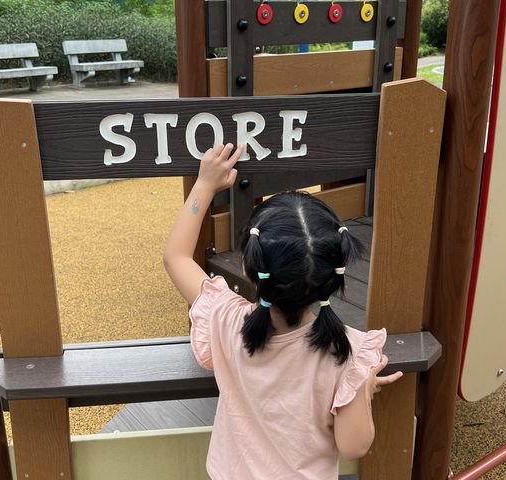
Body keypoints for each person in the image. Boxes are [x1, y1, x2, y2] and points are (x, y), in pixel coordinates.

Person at [163, 143, 403, 479]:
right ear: (333, 277)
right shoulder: (346, 352)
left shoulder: (225, 320)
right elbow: (354, 446)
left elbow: (176, 257)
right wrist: (360, 386)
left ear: (249, 268)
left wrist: (204, 185)